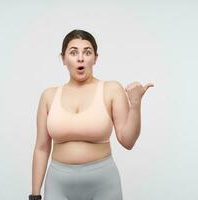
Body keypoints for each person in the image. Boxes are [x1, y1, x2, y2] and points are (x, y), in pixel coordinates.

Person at [29, 29, 154, 200]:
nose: (80, 58)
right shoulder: (49, 96)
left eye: (87, 52)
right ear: (63, 59)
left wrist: (136, 104)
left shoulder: (111, 89)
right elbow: (41, 148)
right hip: (58, 184)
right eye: (73, 52)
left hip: (103, 184)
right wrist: (34, 195)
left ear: (95, 58)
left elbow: (128, 141)